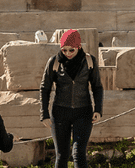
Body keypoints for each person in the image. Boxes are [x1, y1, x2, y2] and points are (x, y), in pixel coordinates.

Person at [39, 30, 103, 168]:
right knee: (61, 155)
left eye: (71, 50)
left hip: (83, 112)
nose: (67, 53)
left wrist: (98, 109)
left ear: (78, 47)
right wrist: (44, 113)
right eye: (64, 50)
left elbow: (97, 87)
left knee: (78, 154)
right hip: (60, 112)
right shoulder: (54, 62)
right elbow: (45, 88)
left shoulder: (89, 61)